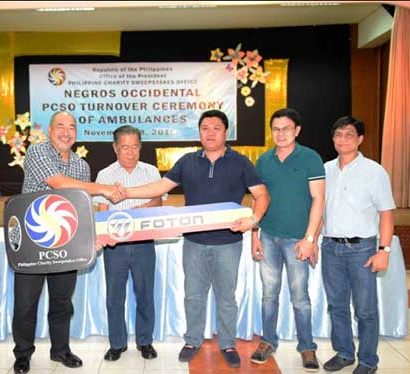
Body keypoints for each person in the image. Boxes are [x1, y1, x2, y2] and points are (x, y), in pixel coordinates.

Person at [123, 109, 270, 368]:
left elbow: (262, 195)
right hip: (194, 243)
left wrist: (254, 221)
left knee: (226, 297)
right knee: (193, 295)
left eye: (216, 128)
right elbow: (159, 187)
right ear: (199, 132)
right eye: (205, 128)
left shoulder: (241, 162)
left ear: (226, 132)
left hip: (229, 243)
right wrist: (126, 193)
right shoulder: (187, 161)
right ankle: (192, 340)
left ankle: (227, 343)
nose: (210, 132)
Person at [12, 111, 122, 374]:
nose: (66, 131)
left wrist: (90, 239)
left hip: (66, 243)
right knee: (26, 303)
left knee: (62, 302)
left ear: (76, 133)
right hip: (32, 242)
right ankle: (23, 354)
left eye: (71, 127)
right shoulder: (37, 153)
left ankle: (60, 350)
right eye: (60, 126)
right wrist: (104, 188)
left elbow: (81, 208)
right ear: (50, 131)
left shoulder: (81, 166)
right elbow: (59, 184)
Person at [250, 108, 325, 371]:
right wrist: (254, 234)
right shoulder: (264, 160)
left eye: (286, 128)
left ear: (297, 131)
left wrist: (309, 238)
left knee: (300, 297)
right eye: (276, 129)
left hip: (297, 240)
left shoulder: (310, 158)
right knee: (269, 295)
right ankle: (267, 342)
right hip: (268, 237)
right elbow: (257, 199)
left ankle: (307, 347)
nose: (280, 134)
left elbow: (318, 200)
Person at [320, 116, 395, 374]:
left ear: (360, 139)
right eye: (338, 134)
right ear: (333, 139)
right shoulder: (325, 169)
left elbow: (386, 214)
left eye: (349, 135)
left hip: (362, 248)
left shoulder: (375, 171)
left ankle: (367, 361)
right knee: (337, 305)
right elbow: (319, 211)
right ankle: (344, 353)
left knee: (365, 309)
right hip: (330, 247)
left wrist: (383, 250)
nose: (342, 139)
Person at [93, 125, 163, 361]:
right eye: (125, 147)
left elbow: (158, 202)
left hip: (144, 242)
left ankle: (145, 341)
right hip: (115, 246)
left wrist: (133, 213)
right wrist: (104, 234)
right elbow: (102, 211)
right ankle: (117, 344)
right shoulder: (104, 175)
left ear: (140, 147)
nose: (131, 152)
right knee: (114, 297)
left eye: (135, 147)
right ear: (115, 148)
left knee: (145, 294)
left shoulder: (151, 172)